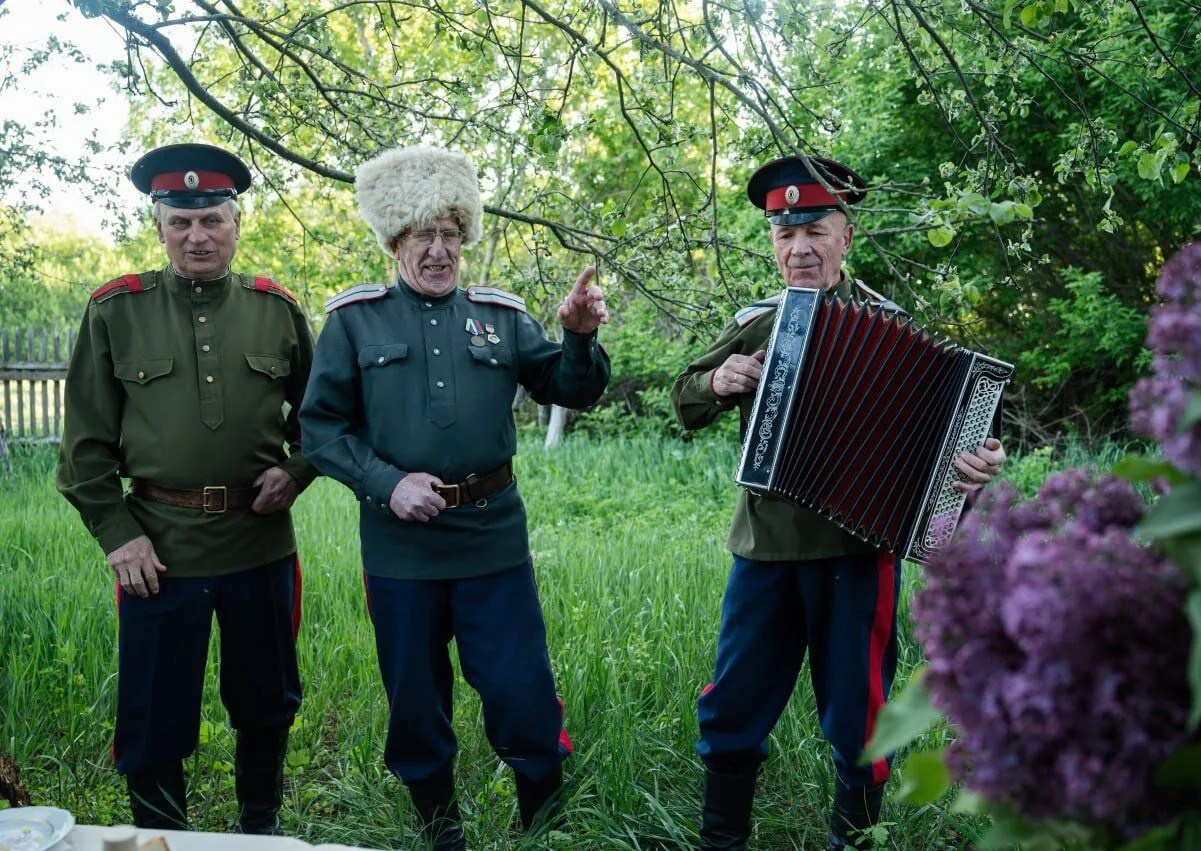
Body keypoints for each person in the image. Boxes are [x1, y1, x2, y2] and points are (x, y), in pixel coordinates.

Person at [671, 155, 1006, 851]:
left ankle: (852, 841)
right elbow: (685, 398)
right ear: (772, 242)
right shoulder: (759, 324)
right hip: (765, 549)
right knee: (735, 702)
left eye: (815, 231)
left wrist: (976, 465)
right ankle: (721, 841)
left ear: (845, 236)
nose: (798, 249)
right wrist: (717, 380)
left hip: (860, 557)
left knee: (861, 715)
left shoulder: (889, 324)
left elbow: (952, 445)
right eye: (784, 233)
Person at [299, 145, 610, 850]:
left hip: (493, 541)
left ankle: (542, 826)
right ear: (394, 243)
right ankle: (441, 831)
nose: (438, 250)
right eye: (421, 236)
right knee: (415, 697)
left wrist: (578, 336)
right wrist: (388, 483)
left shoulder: (501, 316)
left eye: (448, 234)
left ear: (464, 237)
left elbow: (572, 387)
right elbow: (319, 430)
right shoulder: (354, 321)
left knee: (521, 689)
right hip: (400, 550)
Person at [57, 143, 318, 834]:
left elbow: (324, 419)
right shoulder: (116, 310)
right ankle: (158, 835)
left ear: (236, 223)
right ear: (159, 227)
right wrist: (118, 535)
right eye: (180, 222)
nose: (197, 236)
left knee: (266, 701)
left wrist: (297, 471)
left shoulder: (277, 310)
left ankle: (260, 829)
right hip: (157, 551)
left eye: (211, 220)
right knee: (153, 709)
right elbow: (83, 448)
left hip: (259, 544)